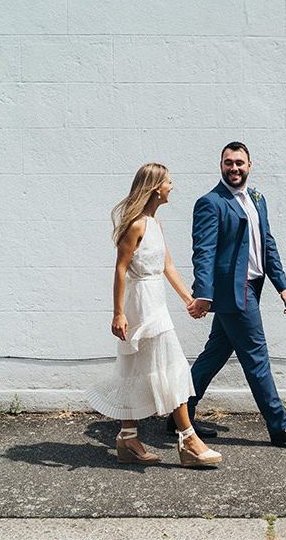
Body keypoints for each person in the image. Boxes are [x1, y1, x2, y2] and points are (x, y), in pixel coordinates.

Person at [167, 142, 286, 447]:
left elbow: (267, 243)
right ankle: (280, 426)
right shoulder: (211, 202)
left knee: (214, 355)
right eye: (228, 163)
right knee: (257, 357)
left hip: (251, 287)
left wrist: (282, 285)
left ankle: (178, 415)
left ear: (250, 165)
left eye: (239, 162)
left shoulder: (257, 198)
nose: (233, 168)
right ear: (221, 165)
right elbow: (204, 252)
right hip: (234, 293)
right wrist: (205, 294)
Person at [87, 163, 222, 467]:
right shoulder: (135, 225)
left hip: (156, 301)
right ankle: (188, 440)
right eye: (168, 182)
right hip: (140, 304)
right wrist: (118, 313)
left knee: (135, 369)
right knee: (171, 366)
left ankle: (127, 438)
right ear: (154, 188)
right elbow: (121, 269)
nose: (172, 187)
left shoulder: (155, 225)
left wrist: (191, 299)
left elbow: (168, 266)